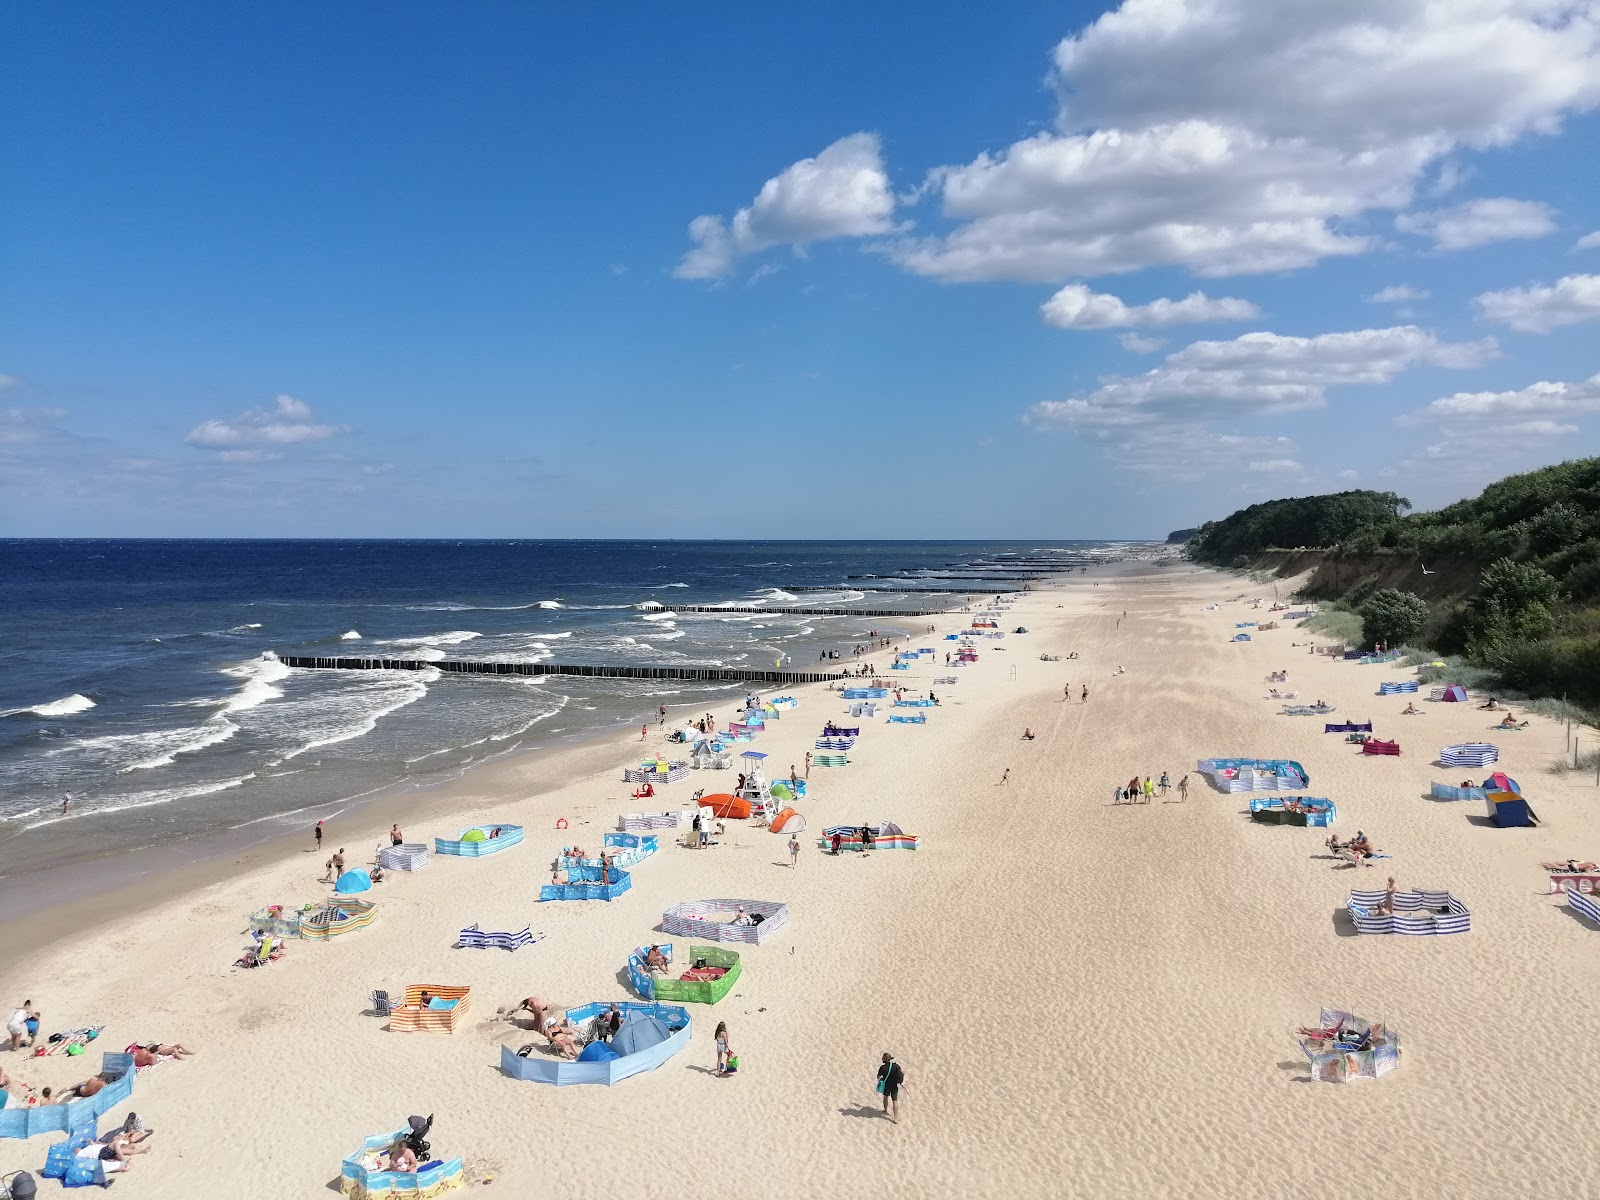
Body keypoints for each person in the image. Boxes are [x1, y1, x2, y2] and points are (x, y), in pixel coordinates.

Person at [876, 1052, 906, 1123]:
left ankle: (885, 1110)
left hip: (886, 1085)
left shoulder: (882, 1067)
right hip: (894, 1085)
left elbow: (878, 1076)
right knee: (894, 1101)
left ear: (884, 1059)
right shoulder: (896, 1066)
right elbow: (902, 1073)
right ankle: (895, 1117)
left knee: (885, 1097)